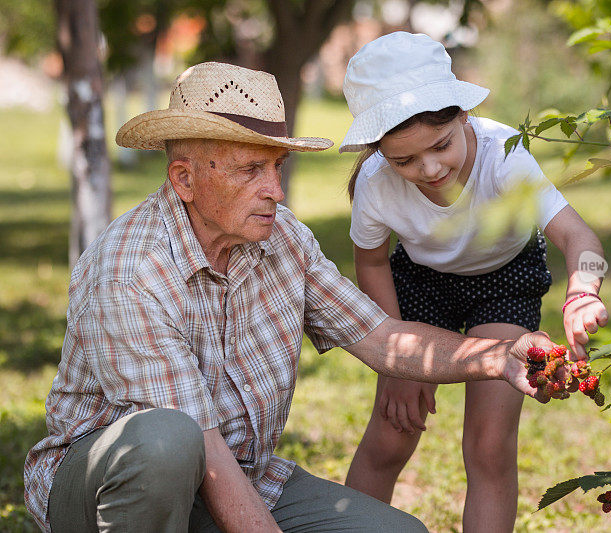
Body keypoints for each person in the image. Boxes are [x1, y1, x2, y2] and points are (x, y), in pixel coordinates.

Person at [23, 61, 561, 533]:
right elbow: (203, 450)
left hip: (244, 478)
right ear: (184, 180)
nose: (276, 192)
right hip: (109, 499)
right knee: (168, 439)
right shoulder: (130, 268)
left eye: (277, 167)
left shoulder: (281, 237)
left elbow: (380, 338)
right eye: (251, 170)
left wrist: (499, 358)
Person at [339, 32, 609, 532]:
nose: (430, 168)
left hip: (503, 281)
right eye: (405, 161)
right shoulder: (375, 184)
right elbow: (372, 264)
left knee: (489, 445)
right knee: (391, 433)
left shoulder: (502, 155)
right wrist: (396, 361)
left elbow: (577, 234)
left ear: (463, 115)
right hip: (419, 283)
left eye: (440, 145)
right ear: (379, 152)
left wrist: (582, 293)